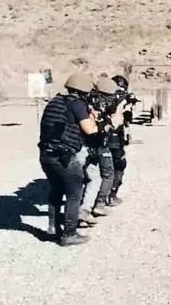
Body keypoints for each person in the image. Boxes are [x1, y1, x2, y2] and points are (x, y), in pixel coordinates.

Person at [38, 72, 99, 246]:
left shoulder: (55, 101)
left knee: (56, 190)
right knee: (75, 193)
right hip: (63, 156)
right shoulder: (77, 103)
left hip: (46, 154)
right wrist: (93, 117)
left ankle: (53, 228)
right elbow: (90, 130)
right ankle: (69, 234)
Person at [81, 77, 125, 223]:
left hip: (84, 144)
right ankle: (98, 204)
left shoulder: (86, 100)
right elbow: (116, 123)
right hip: (99, 143)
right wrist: (120, 107)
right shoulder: (104, 102)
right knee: (107, 174)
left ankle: (83, 209)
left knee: (87, 178)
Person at [107, 75, 134, 206]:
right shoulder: (116, 100)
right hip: (114, 137)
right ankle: (111, 195)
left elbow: (128, 118)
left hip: (103, 136)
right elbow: (127, 119)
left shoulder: (102, 97)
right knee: (119, 165)